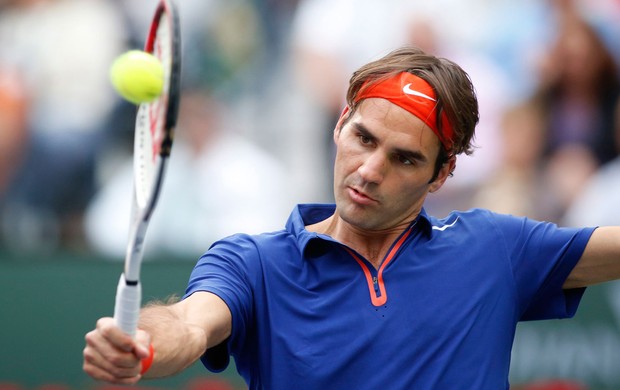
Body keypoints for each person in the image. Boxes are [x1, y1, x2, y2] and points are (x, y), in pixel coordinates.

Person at [82, 47, 620, 389]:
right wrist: (140, 343)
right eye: (363, 138)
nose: (369, 170)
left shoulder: (497, 248)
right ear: (340, 124)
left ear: (441, 174)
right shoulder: (252, 263)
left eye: (404, 158)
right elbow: (187, 322)